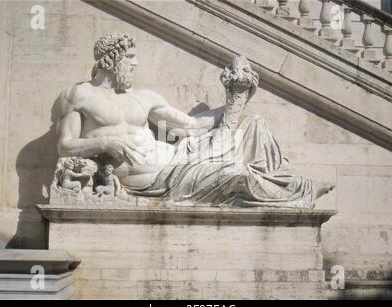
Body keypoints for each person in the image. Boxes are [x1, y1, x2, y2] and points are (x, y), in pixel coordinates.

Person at [55, 33, 334, 208]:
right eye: (130, 57)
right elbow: (64, 146)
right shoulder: (79, 95)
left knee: (253, 124)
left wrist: (236, 99)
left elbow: (190, 125)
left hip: (180, 157)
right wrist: (105, 141)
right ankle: (298, 191)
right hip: (158, 178)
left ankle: (289, 184)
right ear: (112, 59)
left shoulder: (144, 98)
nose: (135, 64)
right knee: (237, 173)